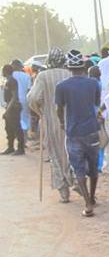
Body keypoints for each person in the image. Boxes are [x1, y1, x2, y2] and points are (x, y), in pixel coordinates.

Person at [55, 54, 103, 216]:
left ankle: (88, 203)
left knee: (79, 169)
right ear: (83, 67)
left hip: (73, 131)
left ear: (69, 68)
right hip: (91, 130)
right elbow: (96, 103)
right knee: (94, 167)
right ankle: (93, 196)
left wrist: (62, 123)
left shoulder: (61, 86)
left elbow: (59, 109)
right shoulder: (93, 83)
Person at [27, 48, 74, 202]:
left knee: (55, 155)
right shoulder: (69, 73)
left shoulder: (43, 76)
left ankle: (64, 191)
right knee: (72, 154)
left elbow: (33, 98)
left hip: (51, 121)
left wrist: (40, 111)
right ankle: (77, 181)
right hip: (72, 121)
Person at [2, 64, 26, 155]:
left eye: (3, 71)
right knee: (8, 128)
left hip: (14, 107)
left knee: (17, 128)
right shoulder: (8, 81)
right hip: (9, 106)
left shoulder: (12, 81)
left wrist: (7, 110)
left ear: (6, 71)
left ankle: (20, 148)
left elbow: (14, 97)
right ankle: (10, 147)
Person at [10, 60, 31, 151]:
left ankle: (17, 143)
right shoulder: (26, 76)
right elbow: (29, 90)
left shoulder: (10, 76)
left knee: (15, 121)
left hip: (13, 101)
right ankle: (24, 141)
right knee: (25, 120)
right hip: (25, 100)